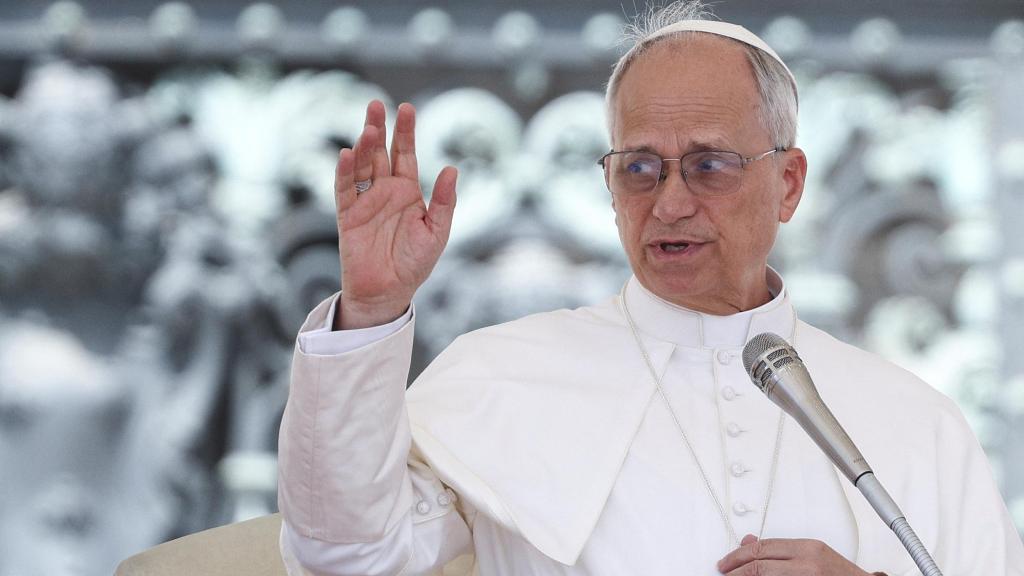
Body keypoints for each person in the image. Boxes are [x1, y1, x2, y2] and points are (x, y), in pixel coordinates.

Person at [276, 2, 1024, 575]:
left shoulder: (916, 424)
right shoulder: (501, 375)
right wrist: (370, 309)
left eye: (709, 165)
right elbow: (345, 555)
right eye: (639, 168)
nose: (669, 204)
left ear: (789, 183)